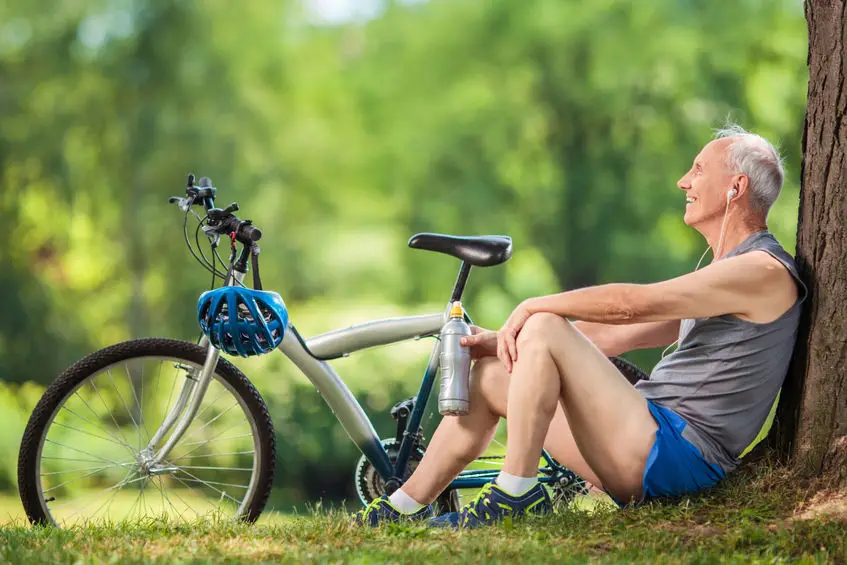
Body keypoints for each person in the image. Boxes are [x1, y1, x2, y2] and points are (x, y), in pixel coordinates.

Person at [353, 124, 806, 528]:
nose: (683, 181)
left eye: (698, 169)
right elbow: (610, 335)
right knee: (490, 377)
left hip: (675, 455)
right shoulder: (725, 275)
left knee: (547, 324)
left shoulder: (761, 272)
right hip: (642, 441)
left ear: (736, 187)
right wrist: (507, 341)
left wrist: (535, 309)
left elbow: (633, 305)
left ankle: (516, 492)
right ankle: (403, 506)